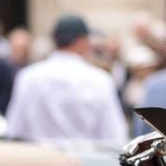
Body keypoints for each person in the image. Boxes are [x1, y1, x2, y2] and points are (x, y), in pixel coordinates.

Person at [7, 14, 127, 143]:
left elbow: (15, 129)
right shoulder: (100, 80)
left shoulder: (28, 77)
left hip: (40, 159)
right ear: (82, 40)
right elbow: (114, 134)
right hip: (86, 160)